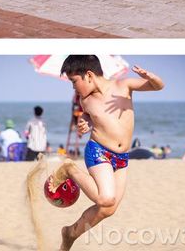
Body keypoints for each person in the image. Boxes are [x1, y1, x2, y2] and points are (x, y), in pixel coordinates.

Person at [45, 55, 164, 251]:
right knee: (105, 199)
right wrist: (85, 122)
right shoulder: (86, 100)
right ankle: (69, 169)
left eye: (74, 81)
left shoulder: (123, 86)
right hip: (98, 151)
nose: (73, 87)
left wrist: (150, 77)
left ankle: (70, 233)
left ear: (89, 75)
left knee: (109, 209)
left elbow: (158, 86)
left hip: (122, 158)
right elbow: (90, 116)